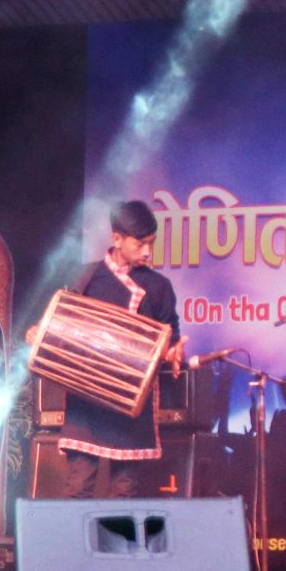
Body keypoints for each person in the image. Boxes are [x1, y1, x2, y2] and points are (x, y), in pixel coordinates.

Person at [52, 200, 183, 498]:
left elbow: (170, 335)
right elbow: (61, 325)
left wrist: (173, 351)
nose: (147, 252)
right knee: (78, 487)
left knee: (125, 493)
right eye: (140, 244)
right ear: (117, 239)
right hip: (88, 402)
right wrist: (40, 333)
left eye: (151, 243)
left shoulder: (159, 286)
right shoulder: (85, 279)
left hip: (130, 405)